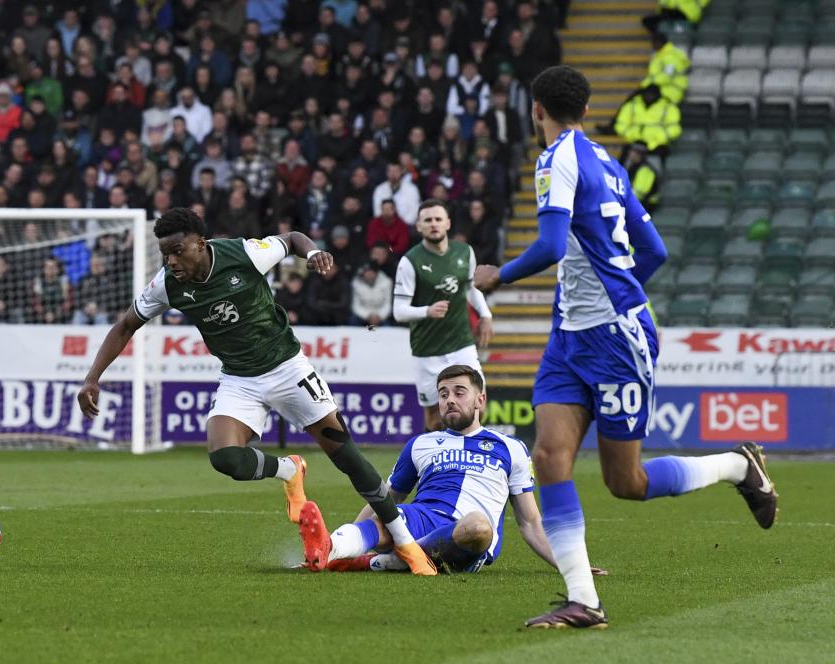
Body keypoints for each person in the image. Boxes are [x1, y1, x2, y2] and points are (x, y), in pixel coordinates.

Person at [474, 65, 778, 629]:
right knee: (548, 456)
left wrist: (500, 276)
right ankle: (583, 600)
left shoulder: (556, 158)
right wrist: (615, 285)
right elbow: (654, 250)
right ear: (586, 111)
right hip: (570, 335)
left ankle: (738, 466)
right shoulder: (609, 165)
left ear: (535, 109)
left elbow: (547, 245)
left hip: (615, 338)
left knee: (626, 483)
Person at [77, 207, 436, 575]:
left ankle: (405, 543)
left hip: (287, 367)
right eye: (164, 254)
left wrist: (312, 253)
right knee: (225, 458)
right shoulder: (167, 284)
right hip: (239, 378)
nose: (171, 261)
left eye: (177, 250)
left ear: (201, 244)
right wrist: (93, 377)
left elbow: (294, 239)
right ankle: (288, 470)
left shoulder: (243, 253)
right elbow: (124, 326)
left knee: (346, 456)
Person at [297, 365, 608, 576]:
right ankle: (330, 550)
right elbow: (384, 498)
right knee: (389, 517)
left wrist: (569, 565)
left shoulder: (511, 447)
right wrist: (344, 545)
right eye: (443, 394)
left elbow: (530, 522)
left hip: (468, 537)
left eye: (459, 392)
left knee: (478, 527)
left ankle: (391, 559)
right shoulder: (421, 444)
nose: (449, 400)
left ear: (480, 400)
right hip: (419, 519)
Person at [394, 199, 492, 431]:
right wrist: (427, 311)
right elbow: (399, 311)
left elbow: (471, 288)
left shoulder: (464, 252)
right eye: (428, 220)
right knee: (435, 418)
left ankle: (466, 456)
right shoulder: (410, 261)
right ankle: (438, 462)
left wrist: (485, 315)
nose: (434, 224)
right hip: (427, 350)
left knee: (478, 404)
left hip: (461, 343)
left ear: (447, 223)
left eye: (438, 219)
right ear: (419, 226)